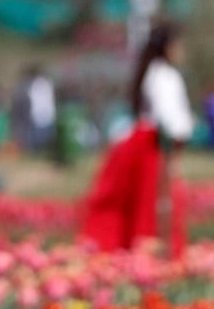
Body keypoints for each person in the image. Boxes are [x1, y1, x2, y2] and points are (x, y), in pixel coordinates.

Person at [82, 22, 193, 256]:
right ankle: (154, 255)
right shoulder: (165, 75)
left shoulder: (150, 72)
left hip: (141, 142)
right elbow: (172, 121)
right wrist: (176, 149)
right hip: (155, 146)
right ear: (168, 47)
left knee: (138, 202)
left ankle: (134, 251)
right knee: (155, 204)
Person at [13, 64, 56, 153]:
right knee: (43, 136)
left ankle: (36, 151)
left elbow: (27, 99)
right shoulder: (47, 83)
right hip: (45, 113)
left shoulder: (31, 84)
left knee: (36, 137)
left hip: (37, 113)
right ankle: (41, 151)